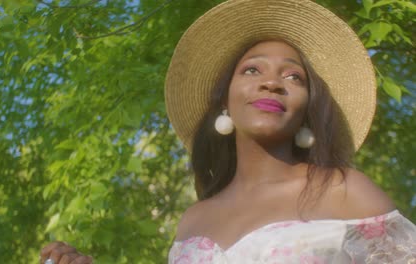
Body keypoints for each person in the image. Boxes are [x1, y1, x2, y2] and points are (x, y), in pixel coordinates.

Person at [40, 0, 416, 263]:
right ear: (224, 102)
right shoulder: (193, 220)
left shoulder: (345, 190)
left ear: (307, 113)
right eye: (253, 70)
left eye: (293, 76)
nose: (272, 83)